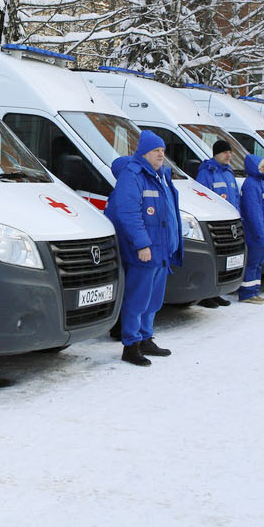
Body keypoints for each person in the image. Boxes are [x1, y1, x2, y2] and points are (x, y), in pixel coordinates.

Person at [105, 130, 183, 367]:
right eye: (156, 151)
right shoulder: (134, 175)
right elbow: (128, 213)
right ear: (144, 153)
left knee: (153, 300)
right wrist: (142, 244)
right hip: (145, 250)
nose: (161, 155)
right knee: (137, 299)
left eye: (163, 151)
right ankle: (131, 345)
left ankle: (146, 338)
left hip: (162, 251)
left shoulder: (160, 176)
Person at [194, 139, 238, 308]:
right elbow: (201, 198)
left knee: (226, 259)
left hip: (230, 224)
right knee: (214, 259)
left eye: (230, 152)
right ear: (216, 154)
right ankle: (206, 296)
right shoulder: (206, 173)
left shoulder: (228, 173)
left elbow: (236, 199)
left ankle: (218, 292)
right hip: (215, 225)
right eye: (225, 152)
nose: (229, 155)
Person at [236, 153, 264, 305]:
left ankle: (254, 290)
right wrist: (260, 233)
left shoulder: (262, 183)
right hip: (257, 233)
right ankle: (247, 293)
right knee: (253, 263)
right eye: (262, 166)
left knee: (259, 262)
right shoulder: (251, 185)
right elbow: (254, 212)